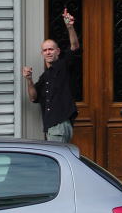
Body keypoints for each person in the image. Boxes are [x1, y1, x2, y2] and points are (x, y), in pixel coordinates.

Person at [22, 8, 80, 143]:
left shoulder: (63, 65)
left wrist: (70, 27)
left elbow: (74, 46)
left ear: (57, 51)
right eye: (45, 50)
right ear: (42, 54)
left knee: (55, 156)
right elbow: (33, 97)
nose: (48, 52)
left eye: (51, 49)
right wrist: (29, 80)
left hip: (58, 126)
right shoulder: (45, 76)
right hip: (54, 127)